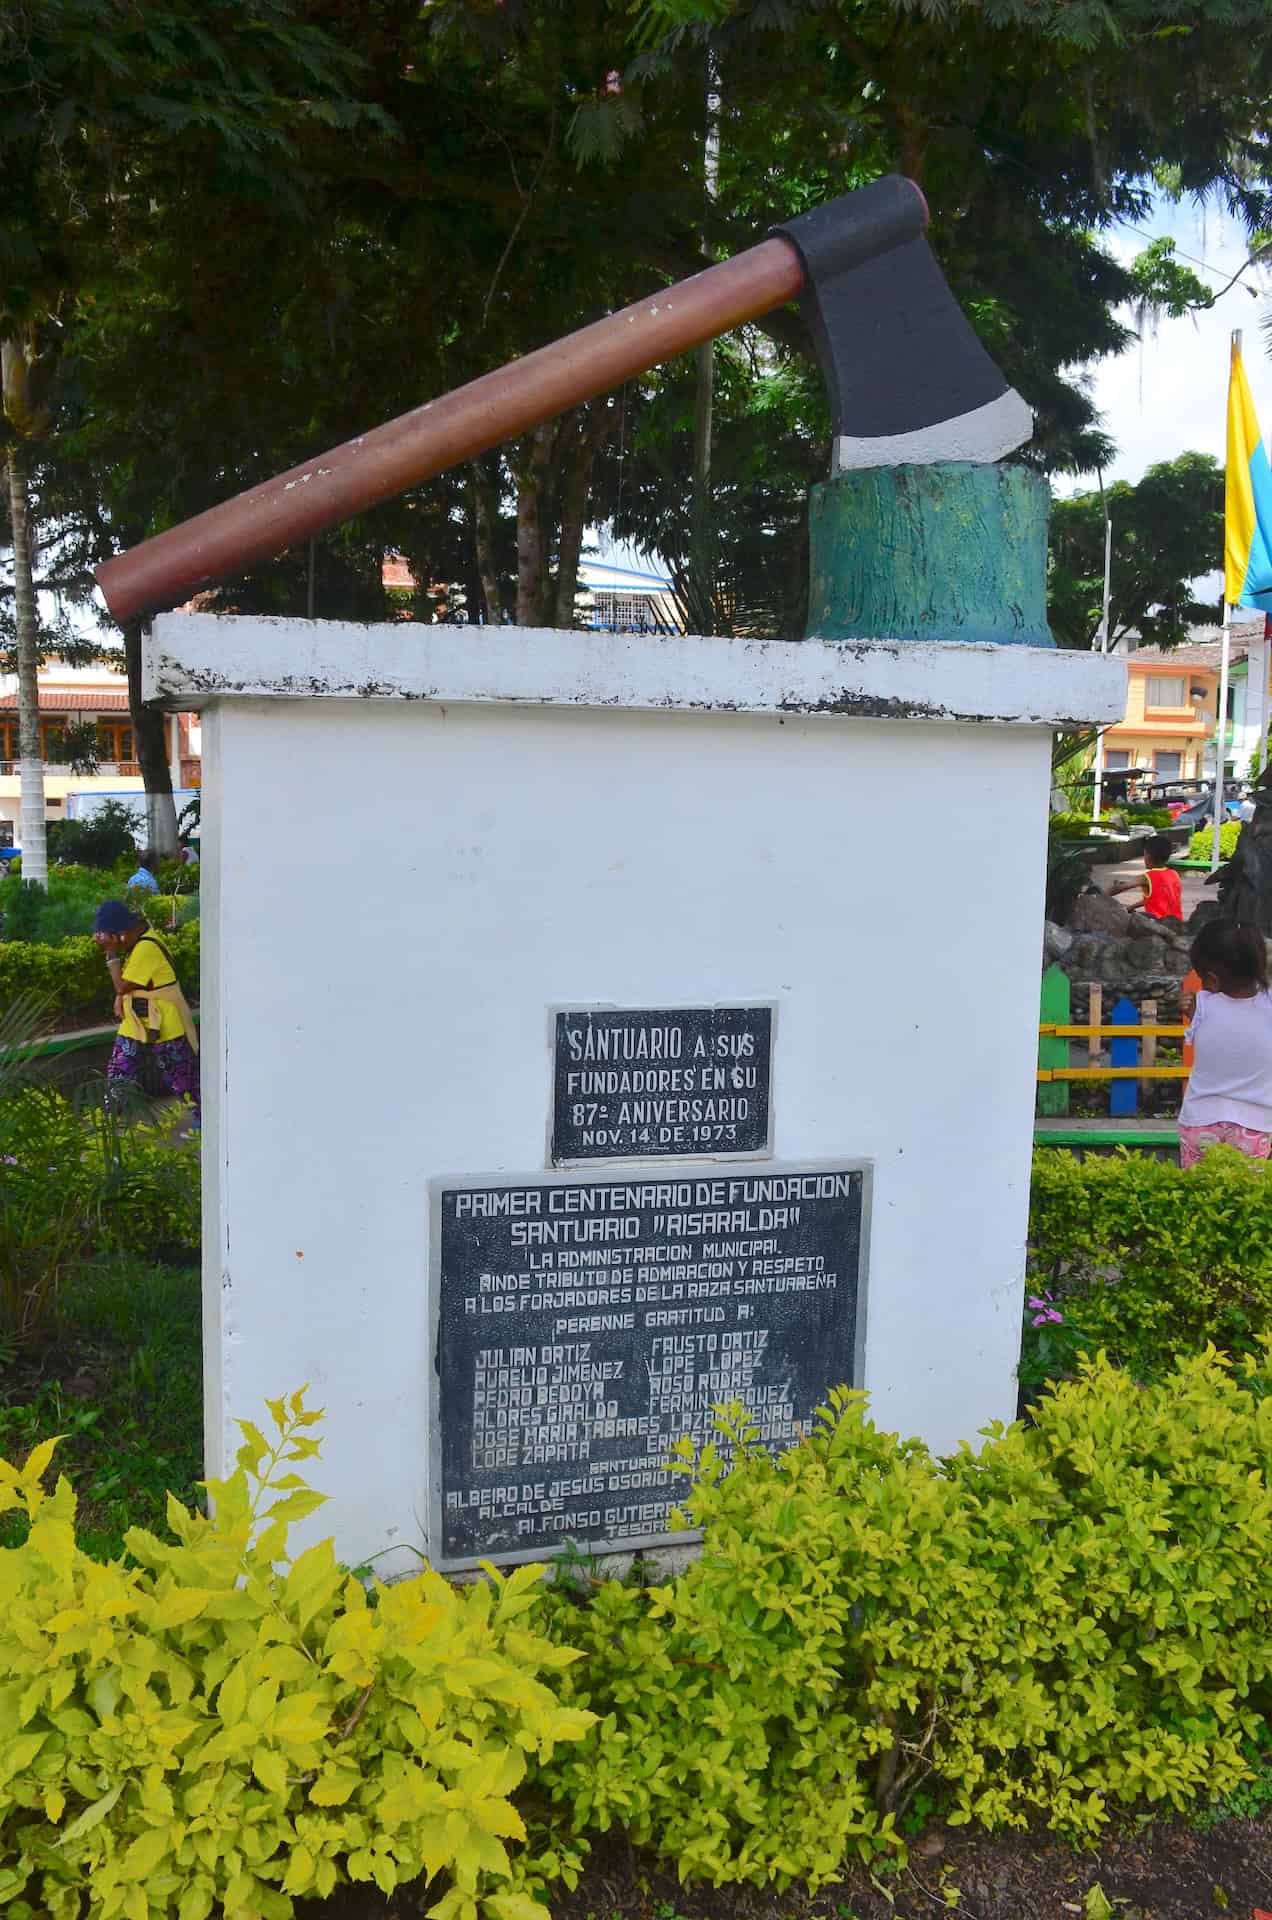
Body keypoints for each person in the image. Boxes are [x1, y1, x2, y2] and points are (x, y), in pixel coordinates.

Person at [93, 900, 200, 1124]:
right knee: (119, 1068)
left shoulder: (146, 947)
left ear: (122, 933)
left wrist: (111, 954)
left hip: (164, 1021)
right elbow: (131, 985)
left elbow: (122, 986)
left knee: (181, 1078)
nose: (115, 944)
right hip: (137, 1018)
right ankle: (111, 1121)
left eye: (114, 938)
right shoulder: (139, 941)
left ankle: (206, 1122)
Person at [1177, 918, 1272, 1168]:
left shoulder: (1201, 1004)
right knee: (1245, 1197)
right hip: (1255, 1124)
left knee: (1197, 1195)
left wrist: (1191, 1013)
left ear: (1213, 979)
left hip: (1199, 1120)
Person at [1106, 834, 1183, 925]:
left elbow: (1122, 887)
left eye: (1144, 854)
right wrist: (1131, 907)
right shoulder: (1174, 874)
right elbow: (1154, 899)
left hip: (1159, 923)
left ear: (1148, 856)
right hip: (1177, 922)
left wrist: (1102, 894)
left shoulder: (1147, 877)